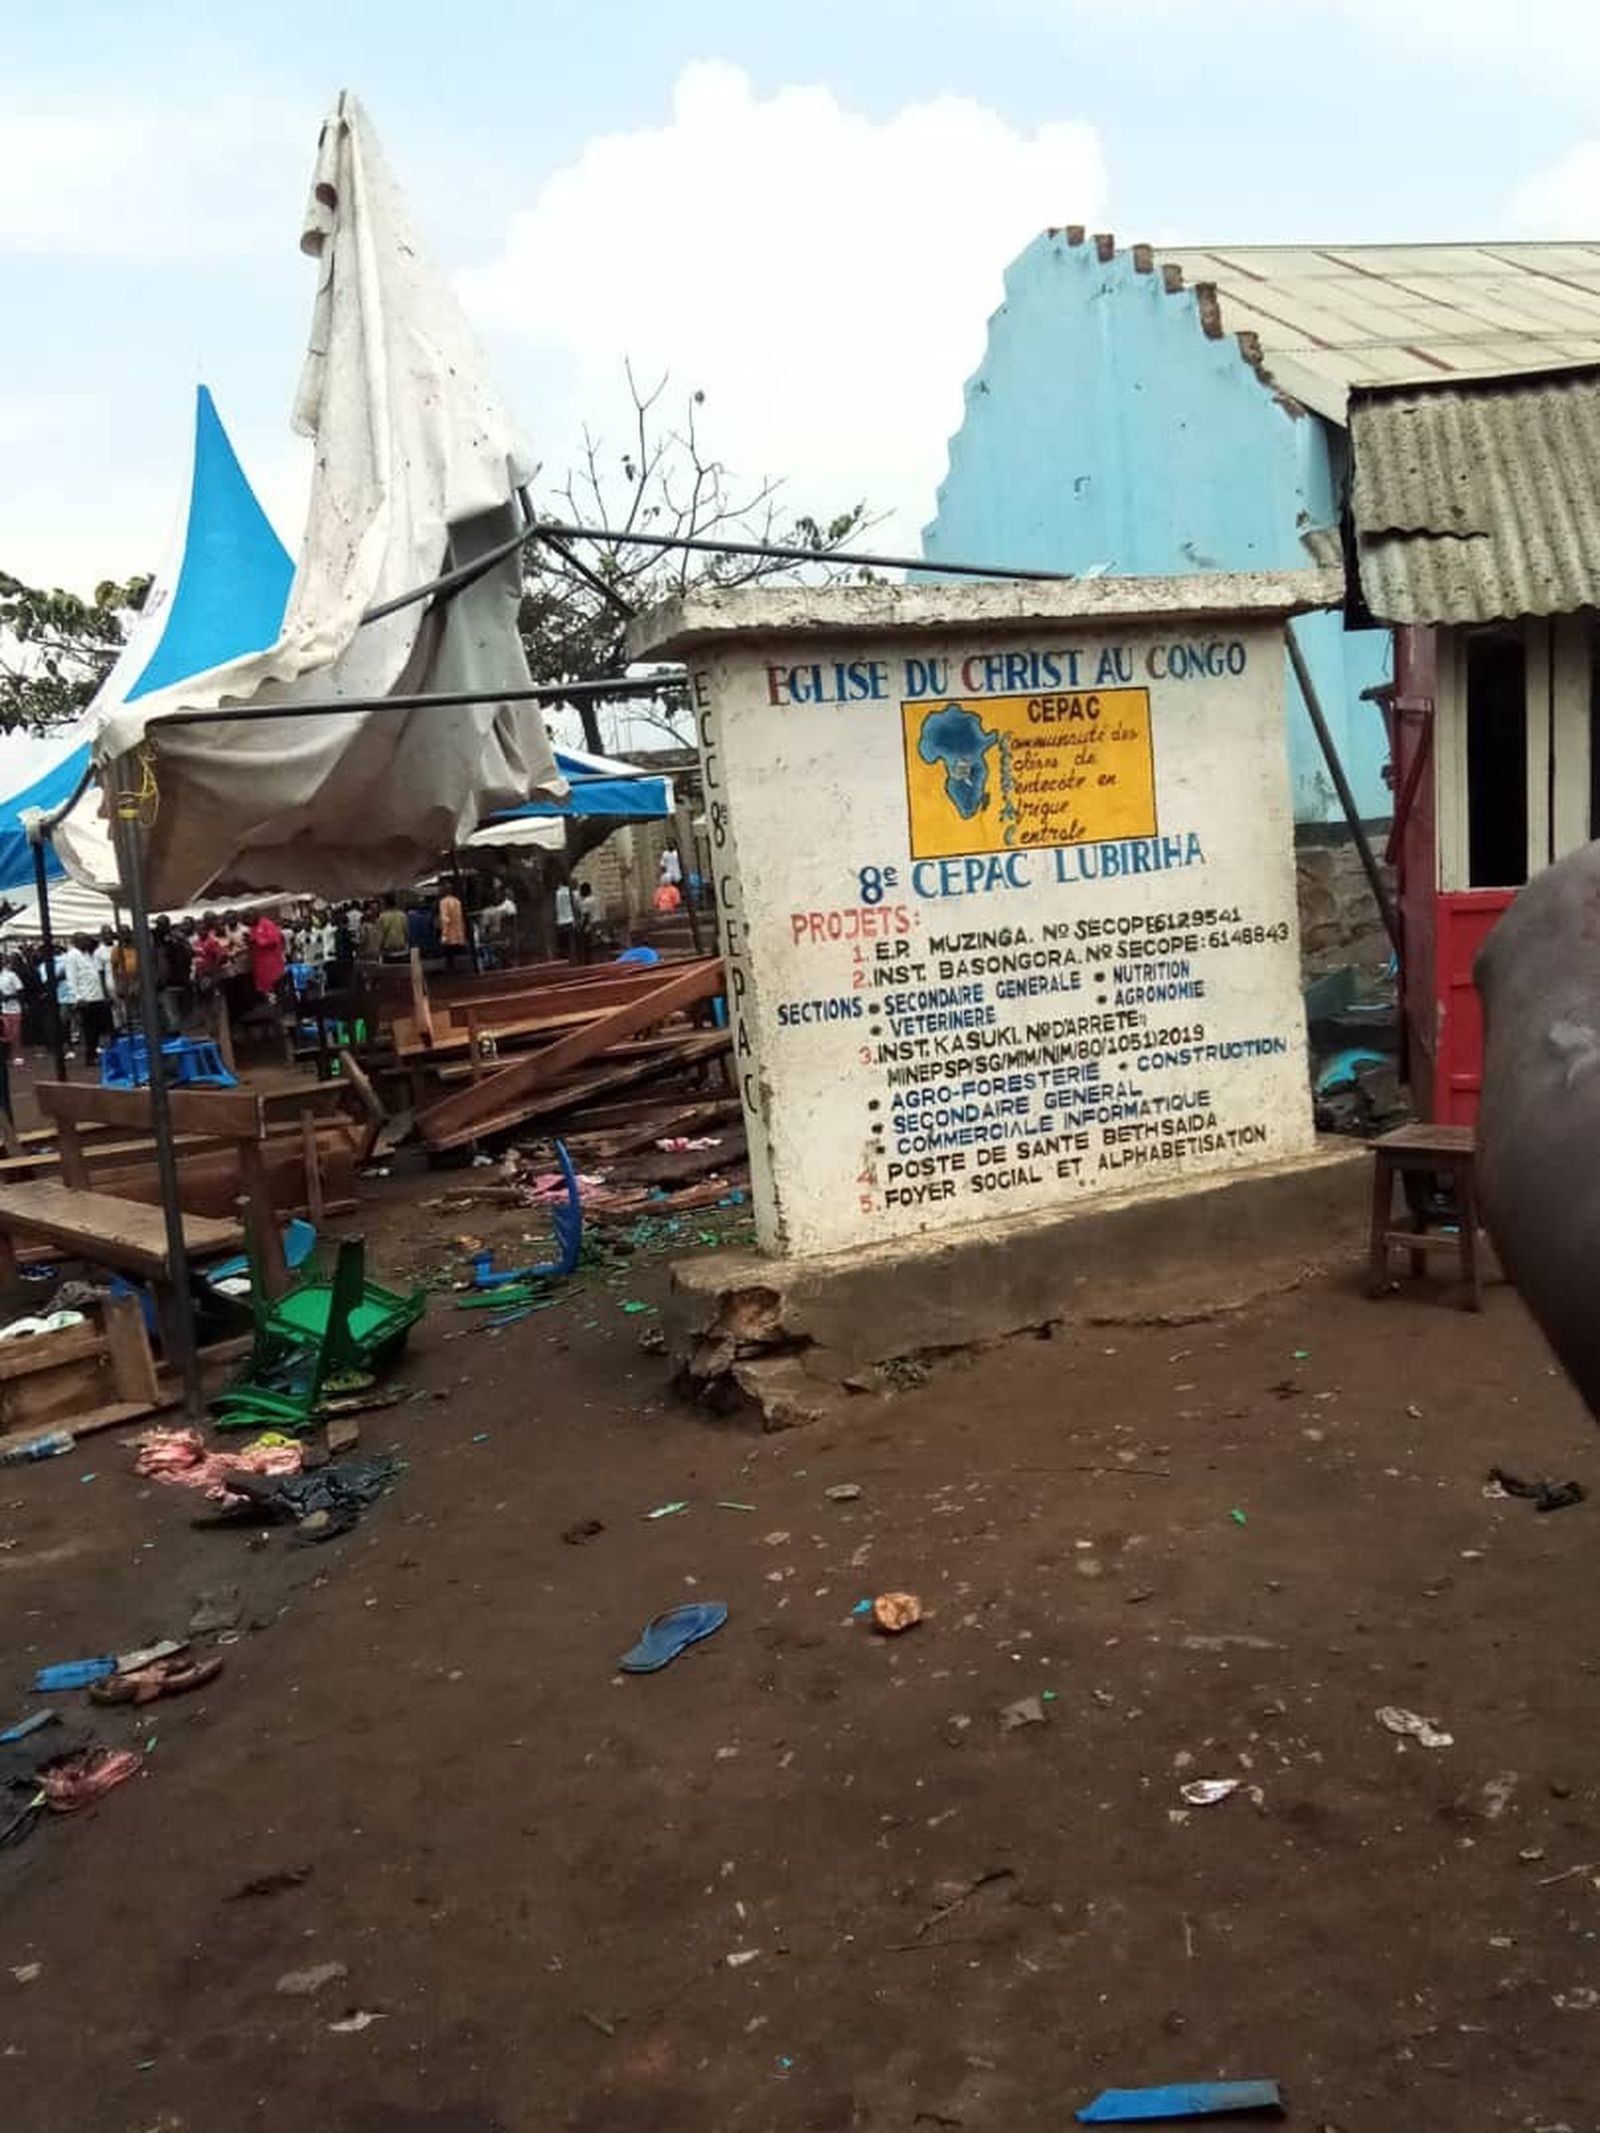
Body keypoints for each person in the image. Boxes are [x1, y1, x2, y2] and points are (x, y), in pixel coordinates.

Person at [62, 932, 111, 1065]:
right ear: (77, 941)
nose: (88, 942)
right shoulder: (72, 956)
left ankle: (95, 1053)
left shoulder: (88, 955)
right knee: (90, 1030)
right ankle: (90, 1057)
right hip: (86, 998)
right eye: (84, 940)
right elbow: (71, 978)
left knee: (98, 1028)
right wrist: (77, 997)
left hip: (97, 996)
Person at [249, 908, 287, 1007]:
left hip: (272, 964)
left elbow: (274, 940)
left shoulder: (267, 924)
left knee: (278, 990)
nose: (249, 920)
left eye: (250, 917)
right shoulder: (252, 928)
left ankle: (283, 1011)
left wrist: (258, 940)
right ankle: (272, 1011)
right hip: (261, 966)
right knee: (267, 995)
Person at [0, 957, 24, 1065]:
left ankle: (17, 1055)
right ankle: (6, 1057)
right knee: (4, 1035)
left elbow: (21, 991)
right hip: (2, 1011)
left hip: (14, 1009)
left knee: (15, 1034)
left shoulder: (11, 975)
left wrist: (9, 997)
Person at [438, 886, 467, 970]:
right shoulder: (457, 902)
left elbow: (445, 919)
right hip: (458, 933)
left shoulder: (443, 902)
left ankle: (451, 969)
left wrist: (444, 934)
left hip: (449, 934)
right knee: (456, 953)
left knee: (448, 955)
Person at [376, 895, 409, 962]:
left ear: (386, 904)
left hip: (388, 951)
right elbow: (406, 931)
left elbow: (381, 935)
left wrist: (379, 949)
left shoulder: (383, 916)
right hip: (402, 950)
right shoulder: (402, 915)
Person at [554, 879, 575, 955]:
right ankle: (572, 953)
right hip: (570, 918)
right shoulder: (569, 892)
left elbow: (556, 907)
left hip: (560, 920)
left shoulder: (557, 893)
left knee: (563, 940)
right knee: (571, 940)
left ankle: (564, 954)